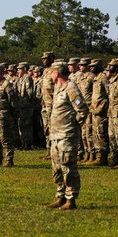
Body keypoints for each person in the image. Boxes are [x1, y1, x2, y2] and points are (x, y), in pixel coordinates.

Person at [45, 61, 89, 210]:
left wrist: (74, 125)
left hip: (66, 134)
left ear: (56, 73)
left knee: (68, 166)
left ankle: (71, 198)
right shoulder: (59, 88)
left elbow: (82, 109)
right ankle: (61, 195)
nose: (51, 75)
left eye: (52, 72)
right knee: (57, 168)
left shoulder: (71, 88)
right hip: (56, 135)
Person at [0, 63, 18, 167]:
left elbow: (13, 102)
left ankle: (9, 160)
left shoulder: (6, 85)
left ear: (1, 73)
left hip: (3, 116)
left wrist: (12, 115)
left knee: (5, 138)